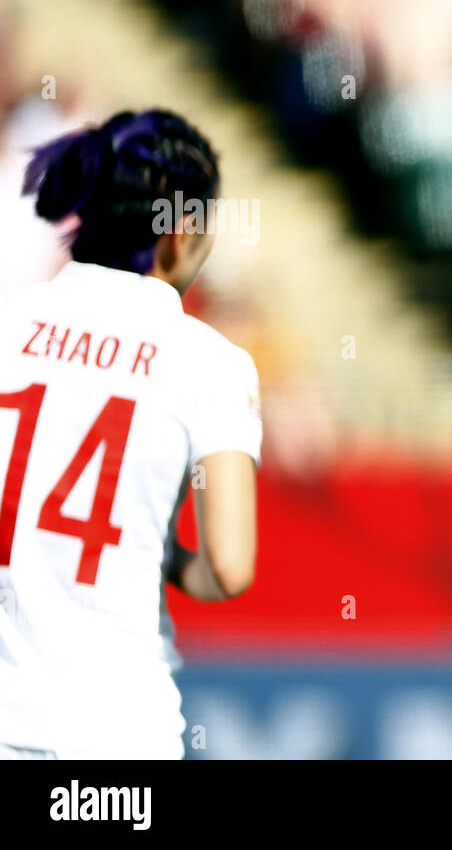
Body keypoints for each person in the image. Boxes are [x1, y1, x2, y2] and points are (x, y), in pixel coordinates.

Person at [0, 109, 261, 759]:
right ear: (180, 234)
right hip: (114, 737)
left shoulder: (9, 321)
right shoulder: (209, 362)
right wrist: (167, 555)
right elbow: (229, 568)